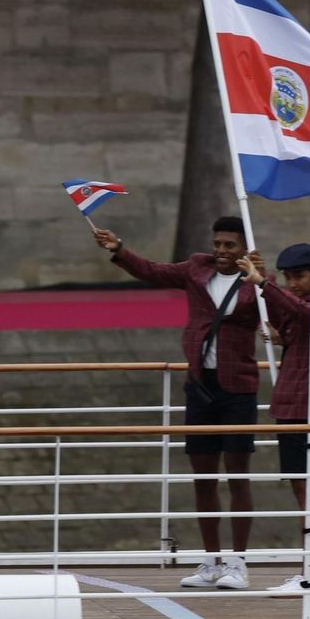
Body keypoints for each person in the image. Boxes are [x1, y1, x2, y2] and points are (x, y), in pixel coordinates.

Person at [94, 217, 262, 590]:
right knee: (203, 477)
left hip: (239, 388)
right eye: (218, 243)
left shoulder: (256, 280)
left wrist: (263, 282)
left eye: (229, 245)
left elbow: (278, 312)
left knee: (237, 476)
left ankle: (238, 563)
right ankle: (210, 562)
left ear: (244, 248)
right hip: (200, 386)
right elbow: (153, 272)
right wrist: (119, 250)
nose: (221, 250)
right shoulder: (196, 268)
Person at [237, 244, 310, 596]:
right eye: (288, 277)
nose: (293, 283)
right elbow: (287, 315)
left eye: (299, 276)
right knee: (306, 492)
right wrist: (262, 278)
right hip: (295, 403)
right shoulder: (304, 305)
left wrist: (266, 283)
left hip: (309, 405)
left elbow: (299, 311)